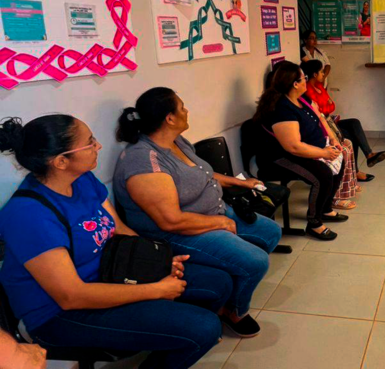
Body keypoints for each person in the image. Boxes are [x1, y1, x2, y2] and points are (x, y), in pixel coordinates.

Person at [0, 115, 230, 369]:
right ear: (61, 161)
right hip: (58, 314)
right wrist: (157, 289)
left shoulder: (82, 179)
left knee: (218, 282)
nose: (98, 146)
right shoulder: (28, 215)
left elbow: (119, 230)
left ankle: (166, 341)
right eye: (90, 142)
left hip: (111, 272)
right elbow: (71, 296)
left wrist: (160, 263)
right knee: (205, 327)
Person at [113, 87, 282, 337]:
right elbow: (171, 221)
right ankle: (234, 311)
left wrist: (240, 183)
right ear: (170, 118)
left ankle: (233, 280)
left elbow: (203, 174)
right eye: (182, 107)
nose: (187, 110)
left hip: (215, 212)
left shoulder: (177, 141)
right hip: (177, 233)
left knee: (270, 232)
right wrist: (220, 224)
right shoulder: (143, 161)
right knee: (256, 261)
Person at [253, 61, 347, 240]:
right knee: (323, 175)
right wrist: (323, 153)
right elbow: (293, 147)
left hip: (304, 150)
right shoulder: (282, 109)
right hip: (280, 158)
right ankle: (314, 223)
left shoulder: (301, 99)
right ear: (295, 84)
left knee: (338, 159)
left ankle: (325, 209)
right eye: (304, 78)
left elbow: (320, 119)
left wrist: (333, 141)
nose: (306, 80)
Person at [300, 60, 385, 182]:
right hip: (322, 125)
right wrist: (326, 106)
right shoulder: (308, 90)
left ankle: (369, 154)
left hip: (329, 121)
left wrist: (325, 107)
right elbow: (319, 110)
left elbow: (332, 105)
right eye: (321, 72)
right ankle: (355, 172)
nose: (323, 74)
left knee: (354, 122)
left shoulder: (319, 86)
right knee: (351, 137)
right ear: (315, 74)